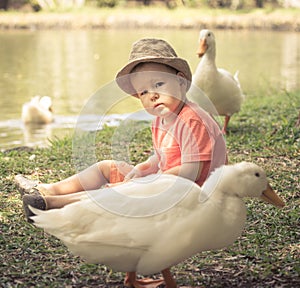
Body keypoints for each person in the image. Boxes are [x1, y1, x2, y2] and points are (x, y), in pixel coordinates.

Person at [17, 38, 227, 288]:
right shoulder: (161, 120)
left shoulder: (192, 120)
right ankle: (48, 189)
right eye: (143, 93)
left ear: (181, 81)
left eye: (158, 84)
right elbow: (160, 156)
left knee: (121, 194)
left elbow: (193, 171)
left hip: (195, 195)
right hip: (167, 184)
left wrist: (150, 182)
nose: (152, 95)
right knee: (108, 168)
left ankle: (52, 204)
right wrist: (143, 169)